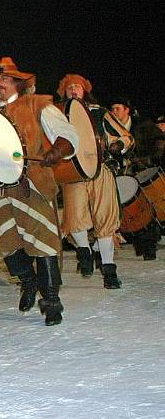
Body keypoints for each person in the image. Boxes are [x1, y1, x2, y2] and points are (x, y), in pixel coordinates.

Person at [0, 58, 79, 326]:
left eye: (4, 78)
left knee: (42, 242)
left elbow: (68, 134)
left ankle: (51, 300)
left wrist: (57, 151)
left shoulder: (38, 105)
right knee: (6, 244)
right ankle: (28, 282)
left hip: (32, 183)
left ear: (18, 83)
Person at [56, 74, 129, 288]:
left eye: (76, 87)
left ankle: (109, 270)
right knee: (75, 218)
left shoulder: (99, 112)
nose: (73, 90)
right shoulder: (57, 115)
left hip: (100, 169)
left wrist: (118, 146)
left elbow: (124, 136)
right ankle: (84, 251)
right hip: (72, 173)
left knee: (105, 219)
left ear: (84, 90)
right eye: (69, 88)